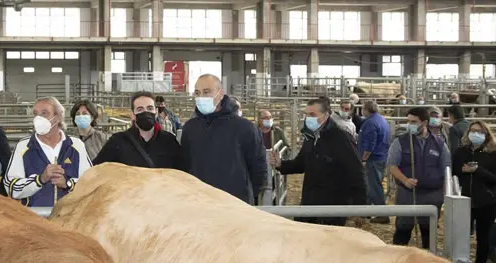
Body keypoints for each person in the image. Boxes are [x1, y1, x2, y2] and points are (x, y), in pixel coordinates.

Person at [271, 97, 365, 227]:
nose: (308, 118)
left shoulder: (341, 138)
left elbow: (356, 171)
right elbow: (301, 163)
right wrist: (281, 164)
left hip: (332, 206)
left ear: (326, 115)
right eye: (306, 114)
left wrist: (360, 208)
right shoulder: (310, 136)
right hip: (310, 202)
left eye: (312, 114)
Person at [181, 73, 268, 205]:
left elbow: (258, 169)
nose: (201, 97)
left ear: (220, 94)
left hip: (235, 203)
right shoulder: (190, 128)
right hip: (200, 203)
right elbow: (186, 165)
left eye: (206, 92)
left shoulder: (245, 128)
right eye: (197, 93)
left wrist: (246, 193)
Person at [4, 96, 91, 208]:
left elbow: (90, 183)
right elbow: (11, 186)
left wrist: (67, 184)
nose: (38, 118)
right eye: (35, 114)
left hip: (69, 217)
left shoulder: (76, 145)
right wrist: (40, 179)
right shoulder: (23, 146)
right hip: (34, 217)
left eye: (44, 113)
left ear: (58, 117)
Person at [387, 106, 451, 250]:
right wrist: (405, 180)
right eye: (408, 121)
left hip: (432, 195)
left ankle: (428, 261)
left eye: (414, 122)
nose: (410, 125)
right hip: (407, 194)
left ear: (425, 123)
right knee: (403, 229)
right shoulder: (401, 141)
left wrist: (445, 195)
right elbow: (392, 165)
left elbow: (446, 168)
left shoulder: (439, 144)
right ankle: (398, 259)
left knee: (428, 232)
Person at [93, 91, 185, 170]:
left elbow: (182, 172)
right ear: (132, 115)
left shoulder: (169, 141)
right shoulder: (118, 141)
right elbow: (97, 169)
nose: (146, 112)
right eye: (140, 109)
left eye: (149, 108)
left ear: (156, 112)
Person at [452, 121, 496, 263]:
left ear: (486, 134)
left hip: (487, 201)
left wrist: (478, 170)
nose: (475, 134)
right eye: (473, 131)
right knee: (461, 235)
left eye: (479, 131)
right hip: (464, 201)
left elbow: (494, 178)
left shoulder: (493, 153)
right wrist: (464, 172)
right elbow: (454, 174)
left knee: (483, 237)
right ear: (468, 133)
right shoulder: (459, 152)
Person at [357, 100, 391, 217]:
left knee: (374, 186)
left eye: (363, 109)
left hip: (373, 159)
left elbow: (370, 144)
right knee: (372, 184)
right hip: (381, 156)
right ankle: (366, 211)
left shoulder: (370, 123)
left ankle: (383, 214)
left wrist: (364, 159)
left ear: (366, 110)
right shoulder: (382, 120)